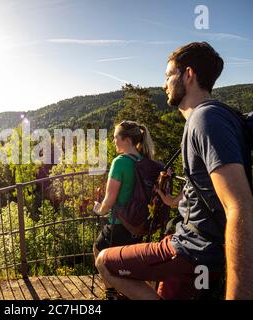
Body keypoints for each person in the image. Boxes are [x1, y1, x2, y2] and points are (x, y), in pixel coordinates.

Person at [95, 41, 253, 300]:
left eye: (169, 75)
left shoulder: (205, 120)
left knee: (105, 261)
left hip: (193, 248)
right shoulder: (222, 116)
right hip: (200, 248)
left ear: (188, 75)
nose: (164, 84)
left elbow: (239, 206)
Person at [92, 120, 155, 299]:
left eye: (115, 137)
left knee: (99, 251)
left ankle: (111, 291)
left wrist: (99, 209)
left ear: (126, 140)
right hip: (138, 224)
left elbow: (109, 202)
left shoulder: (120, 162)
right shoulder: (144, 161)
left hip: (119, 224)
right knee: (127, 263)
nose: (113, 141)